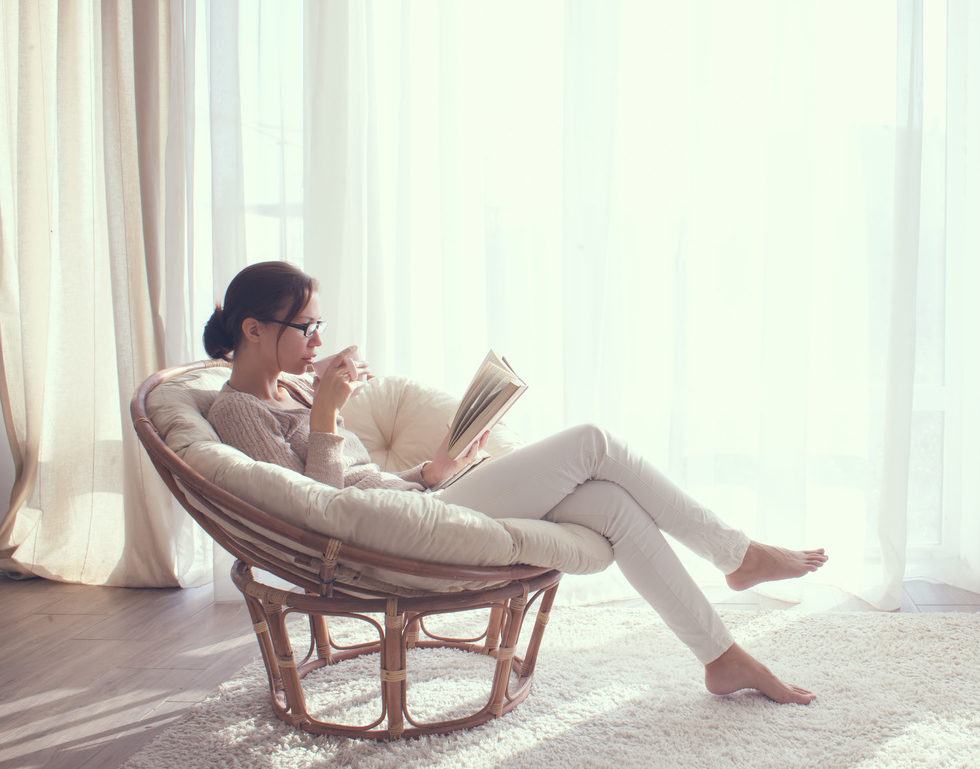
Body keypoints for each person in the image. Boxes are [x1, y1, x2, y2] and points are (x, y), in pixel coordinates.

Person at [203, 261, 827, 704]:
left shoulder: (293, 389)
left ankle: (721, 659)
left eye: (319, 324)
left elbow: (360, 484)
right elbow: (315, 512)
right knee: (593, 442)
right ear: (254, 330)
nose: (318, 340)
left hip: (416, 507)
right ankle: (737, 554)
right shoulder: (239, 410)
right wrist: (327, 415)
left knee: (609, 501)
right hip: (392, 542)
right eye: (305, 327)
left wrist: (433, 470)